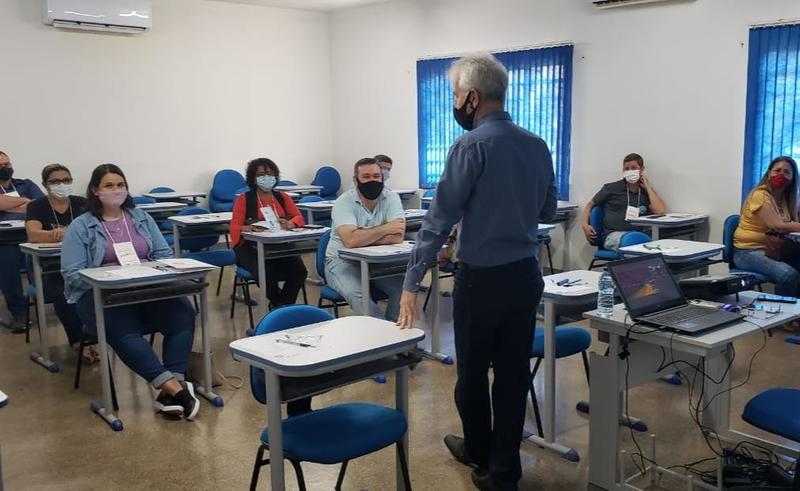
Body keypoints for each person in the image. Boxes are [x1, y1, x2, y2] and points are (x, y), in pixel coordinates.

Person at [397, 53, 557, 491]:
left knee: (471, 374)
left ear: (471, 96)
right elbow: (547, 209)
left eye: (453, 94)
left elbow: (437, 220)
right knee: (511, 373)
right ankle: (504, 469)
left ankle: (476, 449)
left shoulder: (470, 146)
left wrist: (412, 283)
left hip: (481, 280)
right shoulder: (537, 144)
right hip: (524, 275)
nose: (454, 102)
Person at [61, 164, 199, 420]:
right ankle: (171, 388)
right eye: (109, 186)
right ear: (95, 190)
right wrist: (109, 278)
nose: (116, 190)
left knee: (183, 313)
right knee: (124, 330)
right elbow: (72, 273)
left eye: (120, 185)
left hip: (146, 289)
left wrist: (150, 272)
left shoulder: (141, 217)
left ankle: (174, 384)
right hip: (101, 297)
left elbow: (163, 254)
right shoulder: (81, 226)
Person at [25, 164, 98, 362]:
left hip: (80, 262)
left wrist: (64, 235)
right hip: (46, 267)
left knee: (92, 287)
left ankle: (94, 335)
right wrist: (54, 235)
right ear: (45, 185)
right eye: (55, 181)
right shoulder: (37, 206)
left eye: (66, 180)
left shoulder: (81, 203)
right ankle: (78, 341)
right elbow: (33, 234)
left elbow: (96, 230)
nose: (61, 185)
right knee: (63, 291)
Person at [325, 157, 405, 321]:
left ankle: (393, 334)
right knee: (359, 296)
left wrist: (362, 235)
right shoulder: (344, 202)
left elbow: (397, 236)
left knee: (404, 287)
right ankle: (381, 338)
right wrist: (385, 229)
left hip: (377, 261)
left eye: (376, 176)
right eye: (366, 177)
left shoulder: (391, 198)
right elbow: (350, 241)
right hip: (342, 261)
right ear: (356, 180)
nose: (372, 180)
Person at [230, 158, 308, 309]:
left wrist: (291, 223)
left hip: (280, 245)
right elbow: (234, 226)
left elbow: (298, 217)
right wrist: (246, 228)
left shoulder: (282, 197)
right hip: (251, 248)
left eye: (270, 173)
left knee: (300, 271)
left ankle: (280, 306)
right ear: (253, 178)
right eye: (261, 174)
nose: (266, 177)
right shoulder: (244, 199)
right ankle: (282, 307)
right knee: (266, 273)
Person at [733, 156, 800, 295]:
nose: (781, 175)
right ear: (769, 173)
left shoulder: (786, 199)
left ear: (793, 178)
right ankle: (786, 314)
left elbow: (793, 222)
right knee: (788, 275)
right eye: (777, 170)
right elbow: (778, 226)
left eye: (787, 172)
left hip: (774, 249)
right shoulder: (760, 195)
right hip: (747, 252)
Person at [581, 153, 667, 251]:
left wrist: (648, 188)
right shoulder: (611, 188)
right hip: (613, 235)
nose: (630, 171)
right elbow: (590, 205)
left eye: (634, 168)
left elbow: (660, 211)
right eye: (627, 169)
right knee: (634, 242)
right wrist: (584, 225)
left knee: (656, 242)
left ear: (642, 169)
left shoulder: (645, 192)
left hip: (639, 234)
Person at [0, 151, 45, 333]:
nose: (5, 168)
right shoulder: (25, 192)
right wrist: (25, 201)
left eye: (7, 164)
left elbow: (40, 204)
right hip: (4, 241)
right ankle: (19, 313)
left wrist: (9, 204)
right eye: (1, 165)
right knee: (7, 265)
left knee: (49, 261)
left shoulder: (25, 184)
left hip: (31, 236)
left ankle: (51, 299)